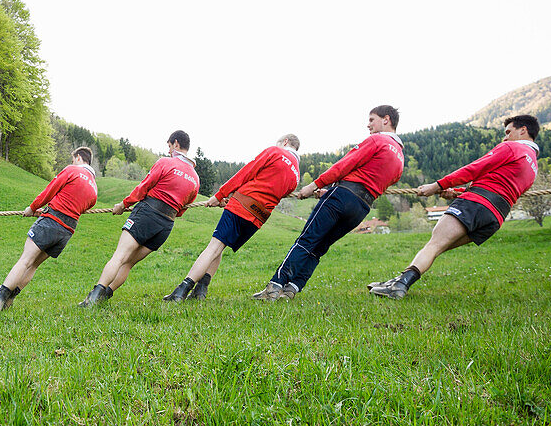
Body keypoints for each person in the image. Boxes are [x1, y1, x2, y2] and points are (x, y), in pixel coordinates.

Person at [370, 115, 540, 299]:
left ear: (523, 130)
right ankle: (398, 281)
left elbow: (475, 168)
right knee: (437, 247)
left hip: (474, 205)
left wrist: (437, 185)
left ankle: (399, 285)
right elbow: (498, 186)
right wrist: (457, 191)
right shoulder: (533, 167)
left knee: (434, 245)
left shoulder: (513, 147)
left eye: (509, 132)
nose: (505, 138)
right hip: (494, 218)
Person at [252, 106, 404, 301]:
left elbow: (345, 164)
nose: (368, 125)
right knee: (320, 248)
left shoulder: (377, 140)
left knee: (306, 241)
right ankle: (292, 289)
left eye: (372, 120)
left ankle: (274, 287)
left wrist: (314, 185)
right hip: (361, 207)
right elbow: (374, 181)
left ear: (386, 119)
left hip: (342, 197)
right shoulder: (400, 156)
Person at [162, 134, 302, 302]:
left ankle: (181, 291)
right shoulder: (297, 176)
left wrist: (220, 194)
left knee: (214, 246)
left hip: (242, 205)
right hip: (258, 217)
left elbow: (247, 172)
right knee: (221, 245)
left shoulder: (275, 152)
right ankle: (201, 290)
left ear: (285, 142)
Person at [80, 130, 199, 307]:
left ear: (175, 143)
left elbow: (144, 186)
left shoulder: (166, 162)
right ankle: (104, 296)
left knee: (119, 256)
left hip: (147, 214)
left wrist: (124, 204)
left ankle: (93, 298)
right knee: (128, 263)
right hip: (166, 225)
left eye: (169, 146)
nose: (168, 151)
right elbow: (182, 209)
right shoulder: (195, 179)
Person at [0, 147, 98, 313]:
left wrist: (33, 208)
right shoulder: (94, 188)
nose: (72, 162)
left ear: (78, 157)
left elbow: (50, 190)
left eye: (73, 159)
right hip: (66, 232)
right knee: (33, 265)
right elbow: (76, 208)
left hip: (50, 223)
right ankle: (9, 300)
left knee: (25, 260)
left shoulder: (73, 170)